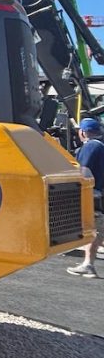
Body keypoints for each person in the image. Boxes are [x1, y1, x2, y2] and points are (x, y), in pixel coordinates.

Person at [67, 117, 104, 278]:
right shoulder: (101, 146)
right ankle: (88, 264)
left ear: (83, 132)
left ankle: (88, 264)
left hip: (92, 194)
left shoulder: (90, 147)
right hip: (100, 193)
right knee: (97, 230)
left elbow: (84, 171)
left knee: (91, 229)